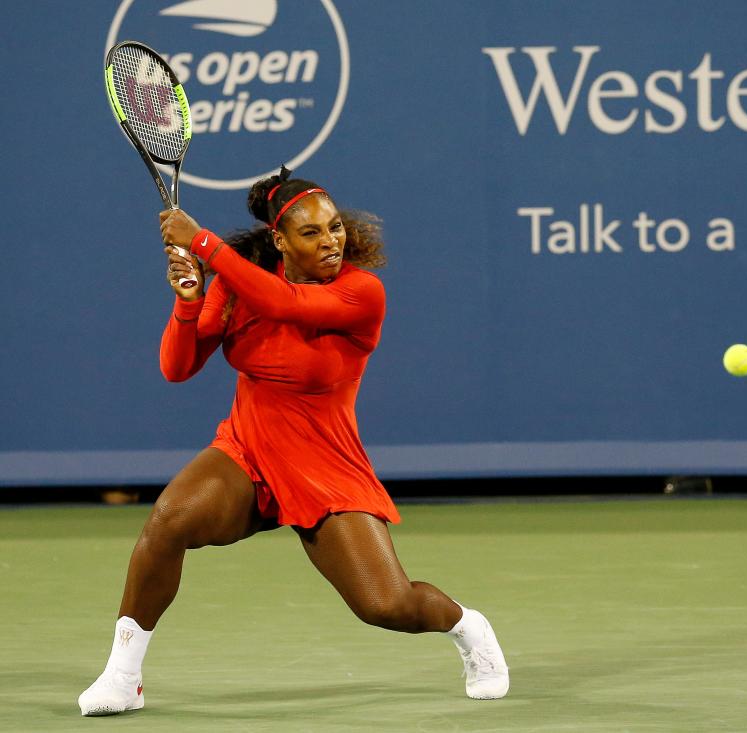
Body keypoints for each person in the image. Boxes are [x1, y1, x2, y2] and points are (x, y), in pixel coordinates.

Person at [78, 167, 508, 716]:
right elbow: (177, 367)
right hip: (247, 453)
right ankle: (122, 676)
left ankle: (468, 628)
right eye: (311, 233)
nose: (330, 241)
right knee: (169, 521)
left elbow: (286, 306)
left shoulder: (361, 293)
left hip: (326, 469)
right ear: (280, 240)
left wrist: (203, 243)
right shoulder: (237, 286)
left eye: (334, 228)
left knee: (386, 606)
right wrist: (189, 301)